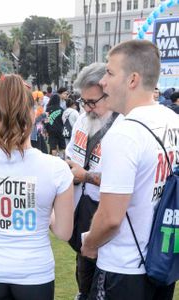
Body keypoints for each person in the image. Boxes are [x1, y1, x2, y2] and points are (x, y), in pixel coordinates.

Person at [81, 40, 179, 300]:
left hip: (123, 268)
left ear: (132, 79)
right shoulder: (172, 119)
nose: (103, 81)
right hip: (161, 260)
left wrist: (89, 245)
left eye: (110, 72)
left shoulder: (125, 133)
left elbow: (111, 217)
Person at [0, 74, 74, 300]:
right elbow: (63, 232)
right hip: (35, 273)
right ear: (34, 115)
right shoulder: (56, 168)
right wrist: (42, 214)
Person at [65, 63, 121, 300]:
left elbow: (124, 182)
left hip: (104, 215)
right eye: (83, 101)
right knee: (82, 265)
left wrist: (85, 176)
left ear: (109, 93)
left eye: (92, 102)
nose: (87, 108)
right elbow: (71, 154)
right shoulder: (82, 119)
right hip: (80, 210)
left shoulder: (123, 128)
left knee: (100, 277)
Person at [46, 93, 66, 158]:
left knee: (53, 148)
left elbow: (46, 121)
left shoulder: (48, 109)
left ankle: (53, 161)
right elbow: (63, 121)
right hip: (60, 130)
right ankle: (64, 160)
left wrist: (46, 129)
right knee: (62, 147)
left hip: (51, 130)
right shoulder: (61, 109)